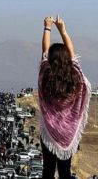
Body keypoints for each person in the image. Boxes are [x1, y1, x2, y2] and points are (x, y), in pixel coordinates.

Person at [38, 15, 91, 179]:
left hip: (49, 130)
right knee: (65, 171)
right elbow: (73, 55)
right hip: (68, 132)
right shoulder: (75, 77)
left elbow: (45, 51)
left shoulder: (45, 75)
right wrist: (63, 30)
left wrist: (47, 27)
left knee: (48, 169)